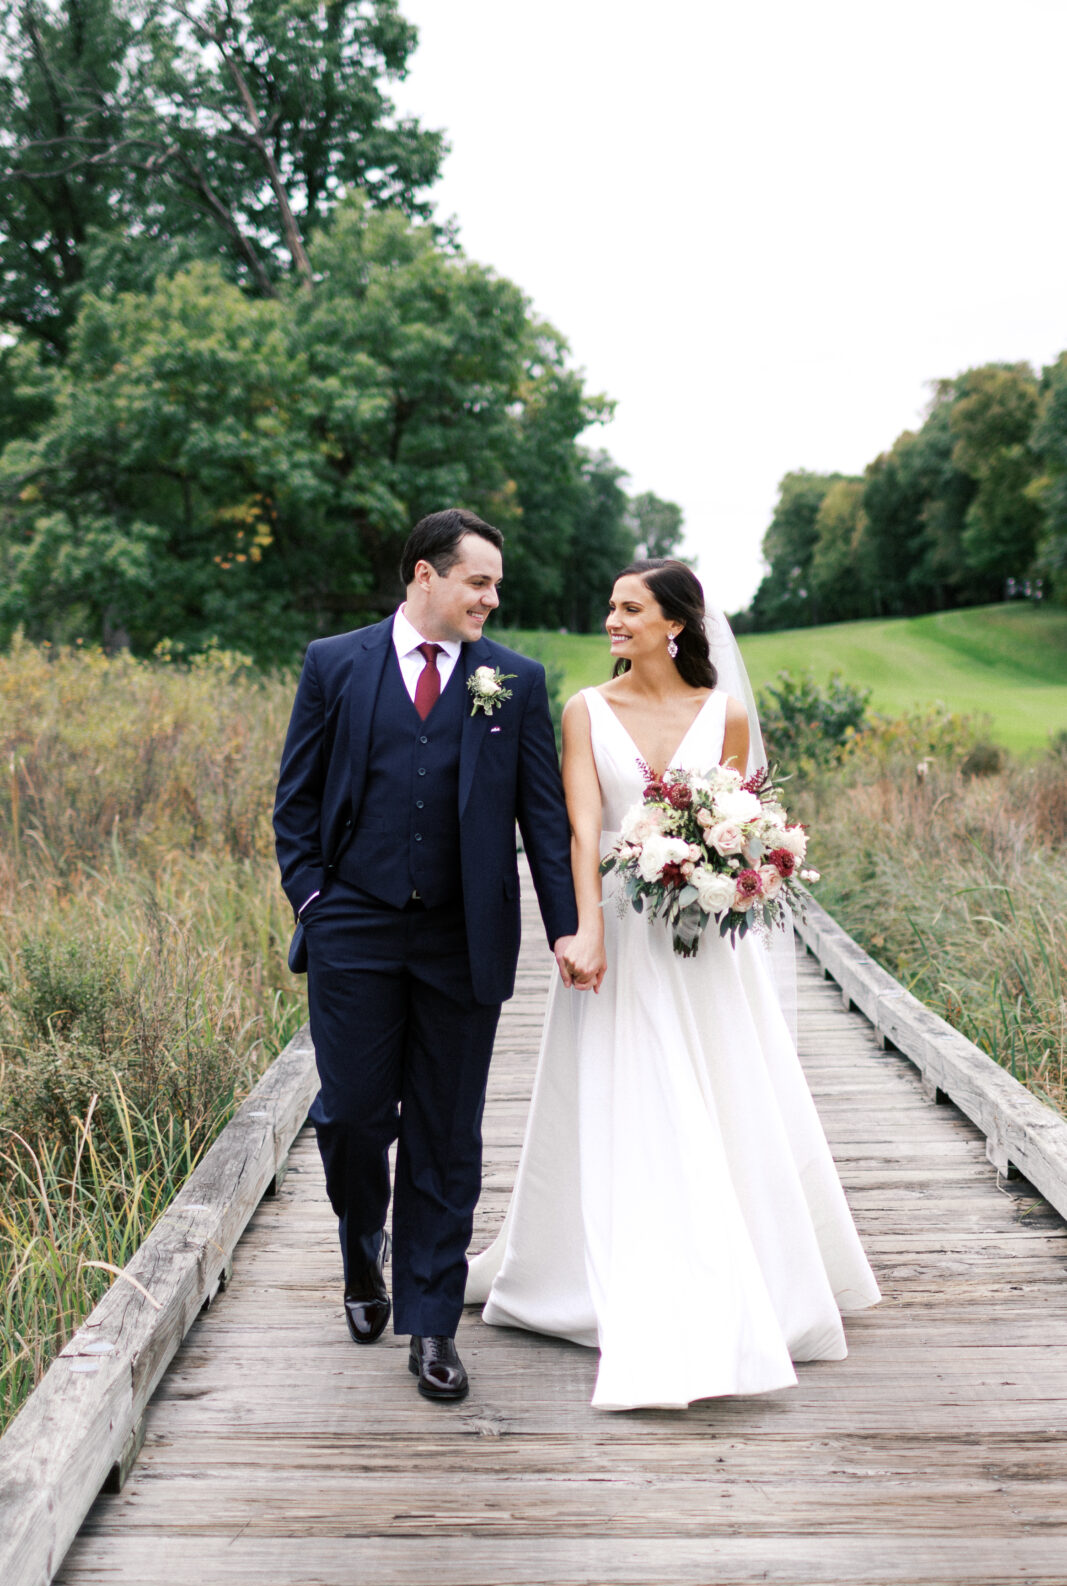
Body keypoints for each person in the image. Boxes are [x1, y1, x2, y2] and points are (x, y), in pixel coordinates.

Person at [466, 558, 880, 1410]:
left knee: (719, 1086)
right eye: (610, 606)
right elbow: (582, 828)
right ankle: (619, 1268)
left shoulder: (722, 713)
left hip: (700, 935)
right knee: (630, 1089)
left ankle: (742, 1265)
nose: (611, 620)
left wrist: (730, 865)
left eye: (629, 608)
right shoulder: (585, 710)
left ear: (675, 624)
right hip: (620, 927)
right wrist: (581, 927)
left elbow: (741, 815)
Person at [273, 508, 580, 1402]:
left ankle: (433, 1323)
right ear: (423, 576)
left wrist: (566, 928)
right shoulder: (335, 664)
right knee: (355, 1117)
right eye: (478, 581)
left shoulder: (512, 683)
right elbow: (294, 803)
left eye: (493, 585)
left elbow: (544, 823)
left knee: (447, 1134)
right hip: (354, 928)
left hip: (461, 938)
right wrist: (316, 903)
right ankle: (360, 1247)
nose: (492, 597)